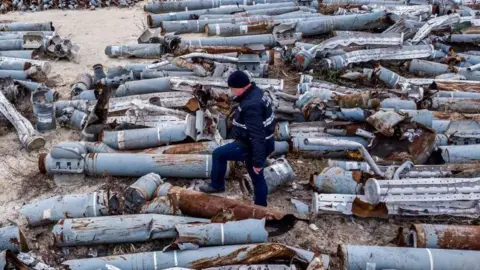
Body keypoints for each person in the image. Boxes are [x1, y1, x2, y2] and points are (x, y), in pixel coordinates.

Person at [199, 70, 275, 206]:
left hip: (251, 145)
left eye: (233, 88)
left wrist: (258, 161)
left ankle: (218, 186)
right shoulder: (256, 92)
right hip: (256, 143)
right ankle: (260, 206)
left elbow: (257, 136)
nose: (231, 91)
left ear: (242, 87)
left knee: (220, 155)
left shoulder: (252, 106)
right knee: (256, 176)